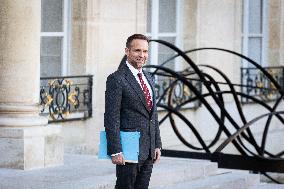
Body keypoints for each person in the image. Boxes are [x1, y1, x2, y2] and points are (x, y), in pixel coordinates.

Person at [104, 34, 162, 189]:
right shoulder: (116, 79)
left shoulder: (149, 77)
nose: (142, 55)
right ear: (127, 51)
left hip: (148, 150)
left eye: (145, 51)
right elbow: (112, 117)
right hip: (128, 148)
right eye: (137, 50)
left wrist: (157, 144)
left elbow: (153, 114)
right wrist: (115, 150)